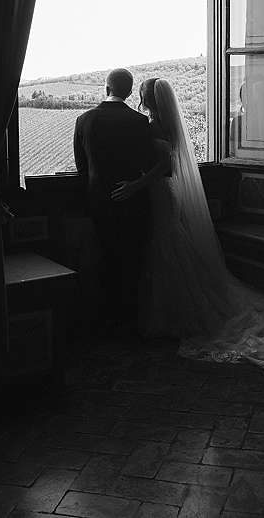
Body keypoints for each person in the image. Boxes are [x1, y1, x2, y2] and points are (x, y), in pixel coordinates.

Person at [111, 77, 264, 401]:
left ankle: (173, 315)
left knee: (167, 247)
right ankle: (172, 311)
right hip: (163, 195)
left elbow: (166, 165)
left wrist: (135, 185)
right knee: (169, 246)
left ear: (150, 99)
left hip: (158, 193)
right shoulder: (162, 122)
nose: (139, 96)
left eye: (142, 93)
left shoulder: (155, 124)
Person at [73, 68, 166, 336]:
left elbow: (82, 168)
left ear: (106, 88)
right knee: (132, 261)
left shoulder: (84, 119)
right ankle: (128, 318)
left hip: (99, 203)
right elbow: (150, 165)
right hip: (133, 202)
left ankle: (107, 318)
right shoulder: (138, 122)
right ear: (128, 91)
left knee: (106, 258)